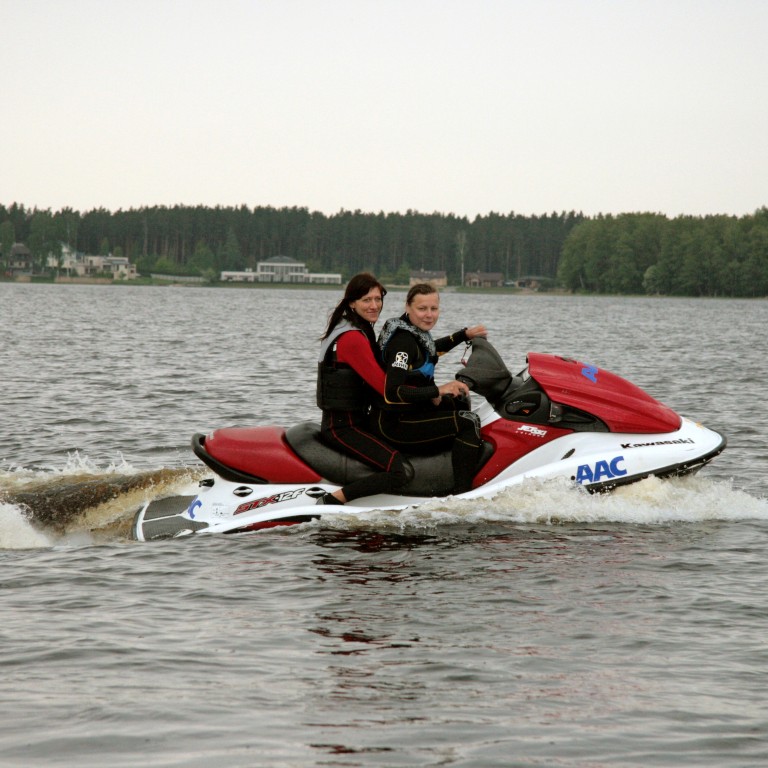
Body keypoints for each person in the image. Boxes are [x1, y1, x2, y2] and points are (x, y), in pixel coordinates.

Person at [370, 283, 487, 495]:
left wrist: (464, 335)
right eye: (422, 309)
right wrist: (437, 391)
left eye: (434, 309)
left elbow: (431, 351)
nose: (429, 315)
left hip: (412, 412)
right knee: (468, 423)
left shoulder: (415, 332)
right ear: (408, 307)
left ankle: (447, 470)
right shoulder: (402, 343)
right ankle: (463, 494)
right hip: (393, 425)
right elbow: (392, 393)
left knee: (458, 400)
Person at [316, 272, 413, 505]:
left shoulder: (355, 327)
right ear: (352, 302)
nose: (374, 306)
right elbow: (384, 388)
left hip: (356, 420)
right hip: (343, 427)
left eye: (378, 299)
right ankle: (333, 501)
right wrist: (430, 395)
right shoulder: (352, 338)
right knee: (400, 471)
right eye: (367, 300)